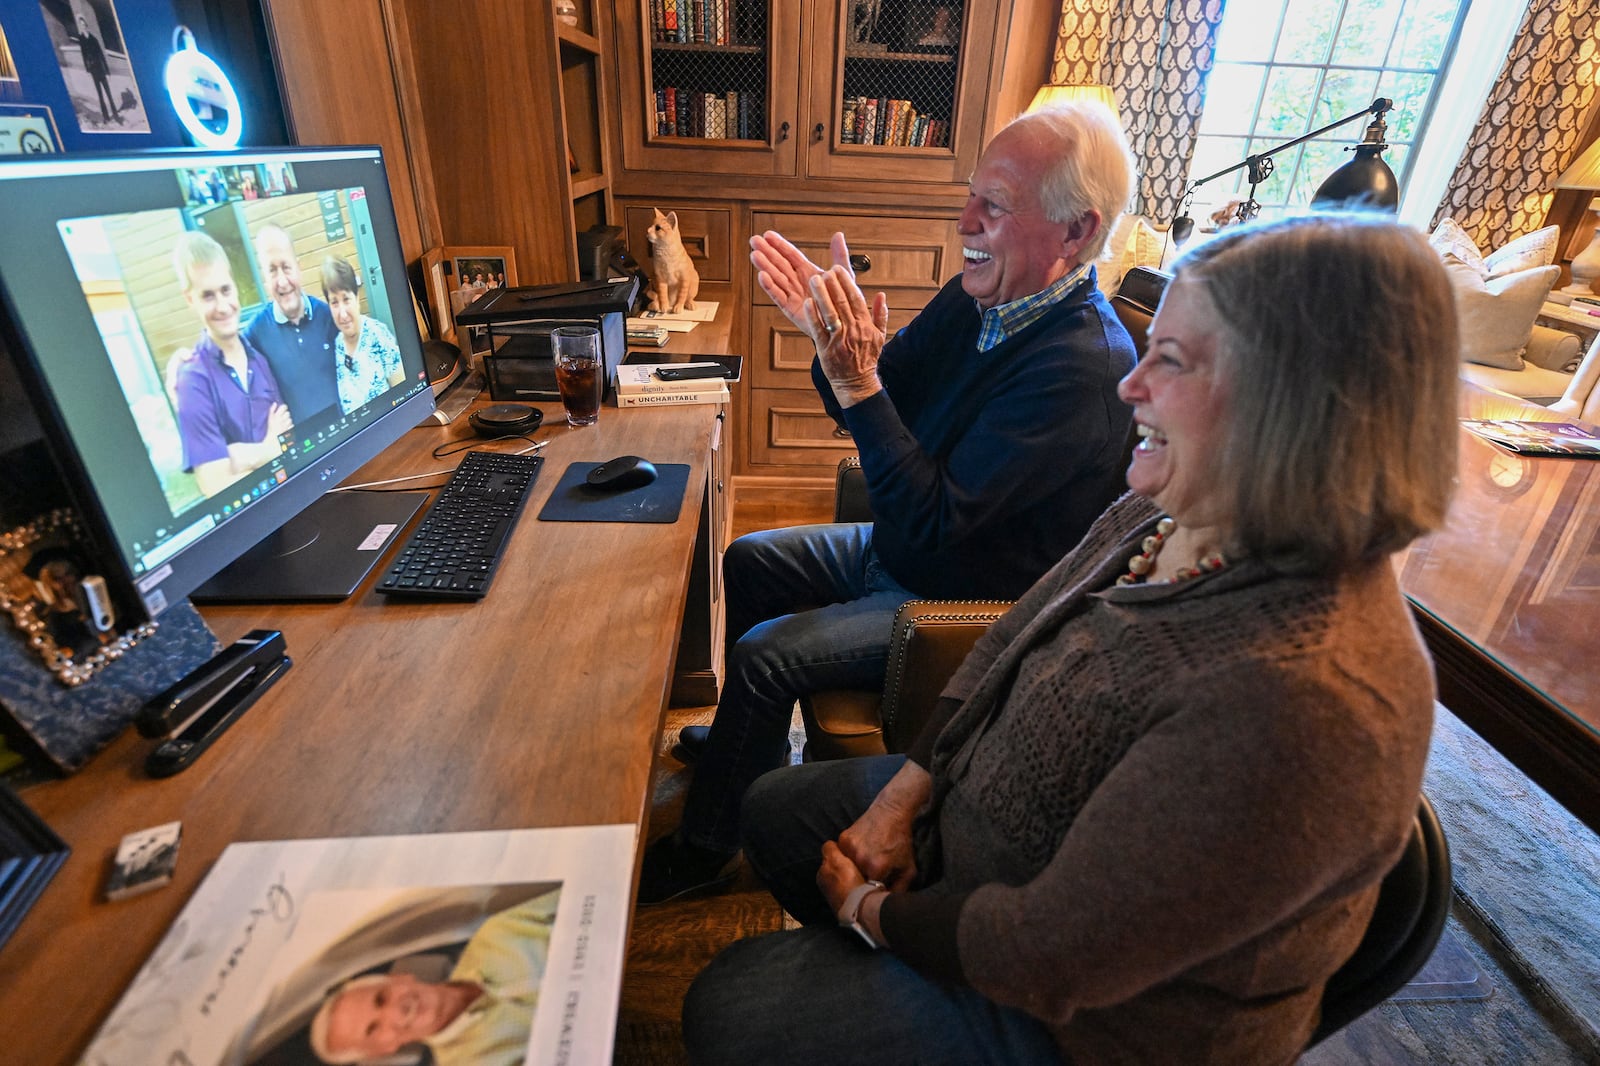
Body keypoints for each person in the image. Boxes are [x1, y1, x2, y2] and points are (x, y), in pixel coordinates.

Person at [679, 214, 1461, 1065]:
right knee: (773, 811)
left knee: (728, 1007)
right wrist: (906, 796)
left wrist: (875, 914)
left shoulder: (1306, 697)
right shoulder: (1163, 509)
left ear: (1295, 405)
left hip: (1079, 1023)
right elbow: (1014, 633)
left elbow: (1053, 953)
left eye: (1172, 360)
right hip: (982, 851)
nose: (1132, 387)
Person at [638, 101, 1139, 905]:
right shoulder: (977, 297)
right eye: (971, 194)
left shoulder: (1081, 369)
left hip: (960, 598)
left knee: (767, 654)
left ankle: (708, 848)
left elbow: (934, 511)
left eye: (994, 206)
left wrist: (861, 380)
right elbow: (864, 404)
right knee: (750, 561)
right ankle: (746, 755)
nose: (964, 219)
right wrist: (834, 348)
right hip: (910, 546)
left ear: (1075, 232)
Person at [308, 889, 559, 1065]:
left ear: (401, 979)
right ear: (383, 1050)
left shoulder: (496, 934)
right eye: (374, 1029)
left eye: (381, 999)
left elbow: (592, 888)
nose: (396, 1012)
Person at [170, 231, 293, 499]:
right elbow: (217, 488)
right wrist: (266, 450)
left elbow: (289, 442)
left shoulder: (259, 360)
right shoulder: (192, 381)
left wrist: (238, 457)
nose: (223, 306)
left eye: (226, 290)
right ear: (190, 299)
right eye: (208, 295)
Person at [243, 223, 341, 425]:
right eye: (272, 271)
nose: (282, 281)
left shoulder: (328, 315)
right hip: (304, 448)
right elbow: (225, 361)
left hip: (348, 433)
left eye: (286, 268)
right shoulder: (255, 333)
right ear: (265, 279)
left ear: (298, 268)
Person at [321, 256, 406, 413]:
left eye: (346, 299)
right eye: (334, 302)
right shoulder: (336, 345)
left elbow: (404, 396)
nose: (342, 313)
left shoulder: (377, 335)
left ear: (357, 298)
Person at [69, 15, 119, 125]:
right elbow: (84, 55)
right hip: (93, 70)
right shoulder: (81, 39)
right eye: (80, 25)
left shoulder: (93, 38)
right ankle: (106, 117)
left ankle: (116, 116)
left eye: (83, 25)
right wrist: (87, 69)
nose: (83, 27)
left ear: (86, 25)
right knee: (100, 94)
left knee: (108, 94)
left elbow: (101, 54)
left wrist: (107, 71)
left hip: (100, 68)